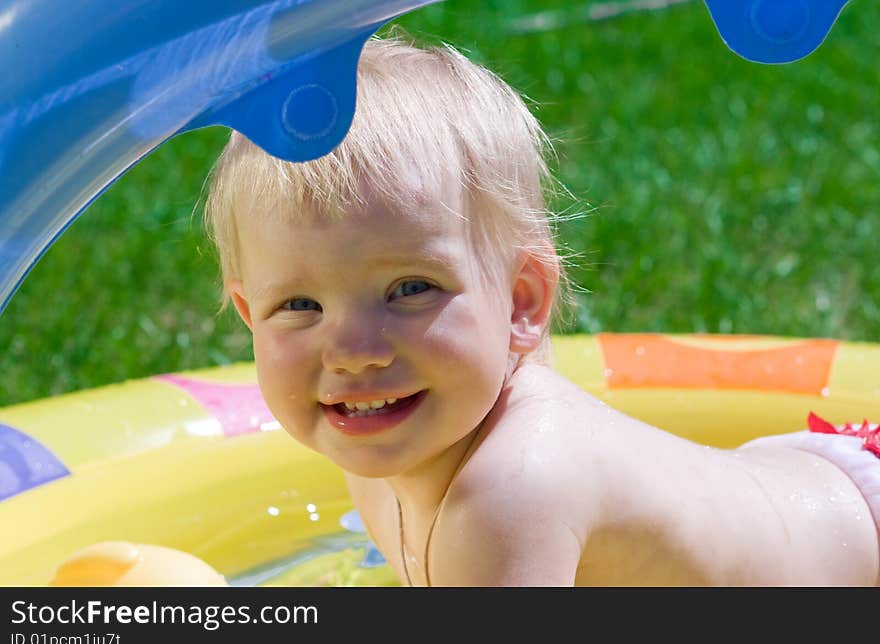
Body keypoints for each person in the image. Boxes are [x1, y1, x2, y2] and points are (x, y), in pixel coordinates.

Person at [204, 34, 879, 586]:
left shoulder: (512, 489)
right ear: (248, 313)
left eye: (411, 289)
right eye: (299, 304)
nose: (352, 349)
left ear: (522, 301)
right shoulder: (378, 439)